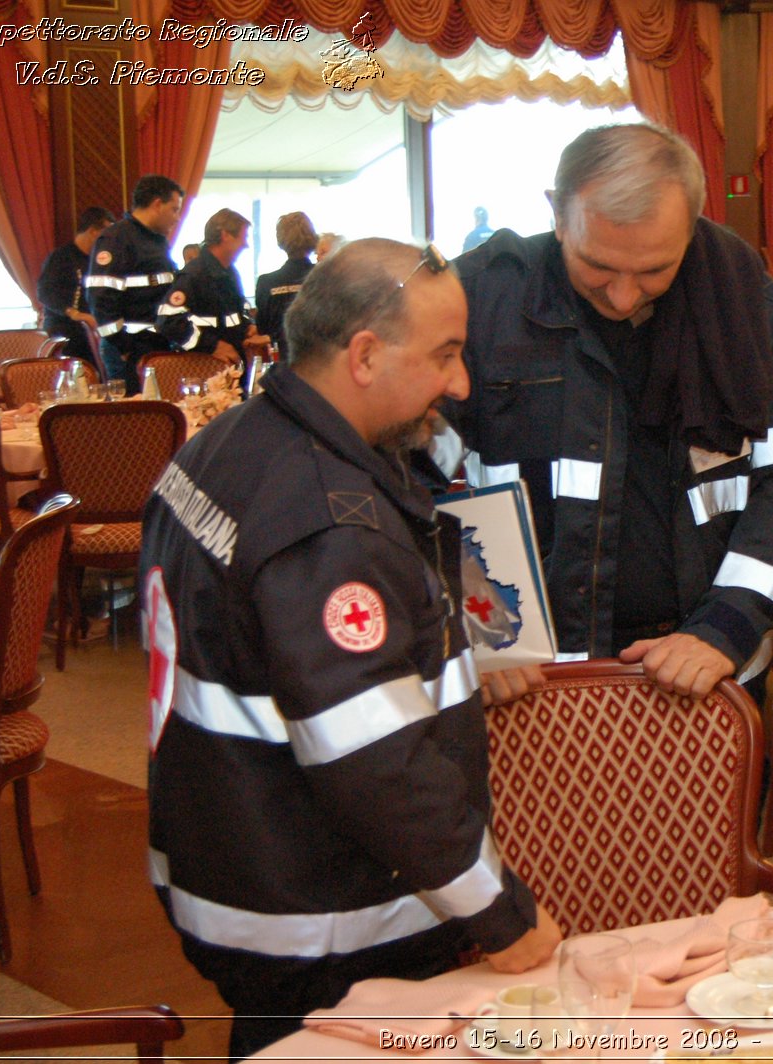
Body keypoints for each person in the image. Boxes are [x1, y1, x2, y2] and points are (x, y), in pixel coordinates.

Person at [140, 237, 559, 1061]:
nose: (460, 382)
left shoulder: (226, 445)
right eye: (444, 355)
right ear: (364, 354)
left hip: (229, 859)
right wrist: (499, 915)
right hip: (319, 917)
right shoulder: (328, 525)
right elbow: (374, 757)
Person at [438, 123, 773, 698]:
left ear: (691, 228)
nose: (622, 297)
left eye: (653, 272)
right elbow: (409, 479)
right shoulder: (483, 299)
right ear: (556, 213)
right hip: (523, 663)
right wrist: (483, 626)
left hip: (702, 661)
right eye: (597, 266)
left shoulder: (748, 303)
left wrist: (725, 628)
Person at [86, 173, 184, 392]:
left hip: (155, 344)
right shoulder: (116, 239)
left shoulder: (156, 240)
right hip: (128, 349)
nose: (177, 218)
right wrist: (125, 348)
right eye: (174, 209)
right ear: (157, 204)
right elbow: (101, 300)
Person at [157, 208, 268, 365]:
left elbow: (232, 315)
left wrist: (247, 328)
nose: (246, 245)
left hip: (231, 366)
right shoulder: (194, 275)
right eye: (243, 238)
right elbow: (168, 321)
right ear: (225, 236)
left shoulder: (230, 272)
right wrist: (212, 346)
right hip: (203, 367)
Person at [36, 206, 114, 365]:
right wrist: (75, 313)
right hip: (65, 331)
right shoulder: (61, 257)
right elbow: (45, 292)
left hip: (94, 331)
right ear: (93, 232)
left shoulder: (100, 261)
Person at [253, 211, 317, 356]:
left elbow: (263, 328)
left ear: (281, 241)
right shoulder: (326, 277)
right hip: (321, 363)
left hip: (284, 363)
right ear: (312, 237)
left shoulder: (266, 283)